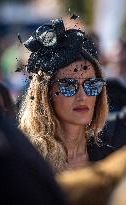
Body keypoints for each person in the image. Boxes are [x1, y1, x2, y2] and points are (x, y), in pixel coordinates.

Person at [19, 18, 108, 173]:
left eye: (92, 85)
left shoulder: (110, 158)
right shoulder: (26, 159)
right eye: (68, 85)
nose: (82, 96)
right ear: (45, 95)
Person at [0, 106, 68, 205]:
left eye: (91, 89)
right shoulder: (28, 145)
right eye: (68, 89)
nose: (82, 96)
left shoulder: (15, 140)